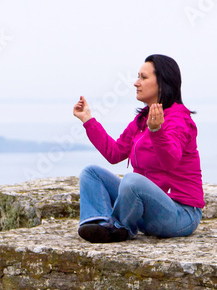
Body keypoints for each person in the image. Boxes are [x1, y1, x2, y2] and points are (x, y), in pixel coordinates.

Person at [72, 54, 204, 243]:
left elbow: (171, 160)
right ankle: (99, 223)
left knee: (132, 181)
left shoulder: (179, 120)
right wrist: (88, 120)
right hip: (147, 210)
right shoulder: (143, 119)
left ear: (162, 82)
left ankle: (118, 227)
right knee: (91, 173)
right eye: (138, 77)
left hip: (180, 215)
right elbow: (114, 153)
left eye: (143, 77)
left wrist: (156, 131)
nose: (136, 83)